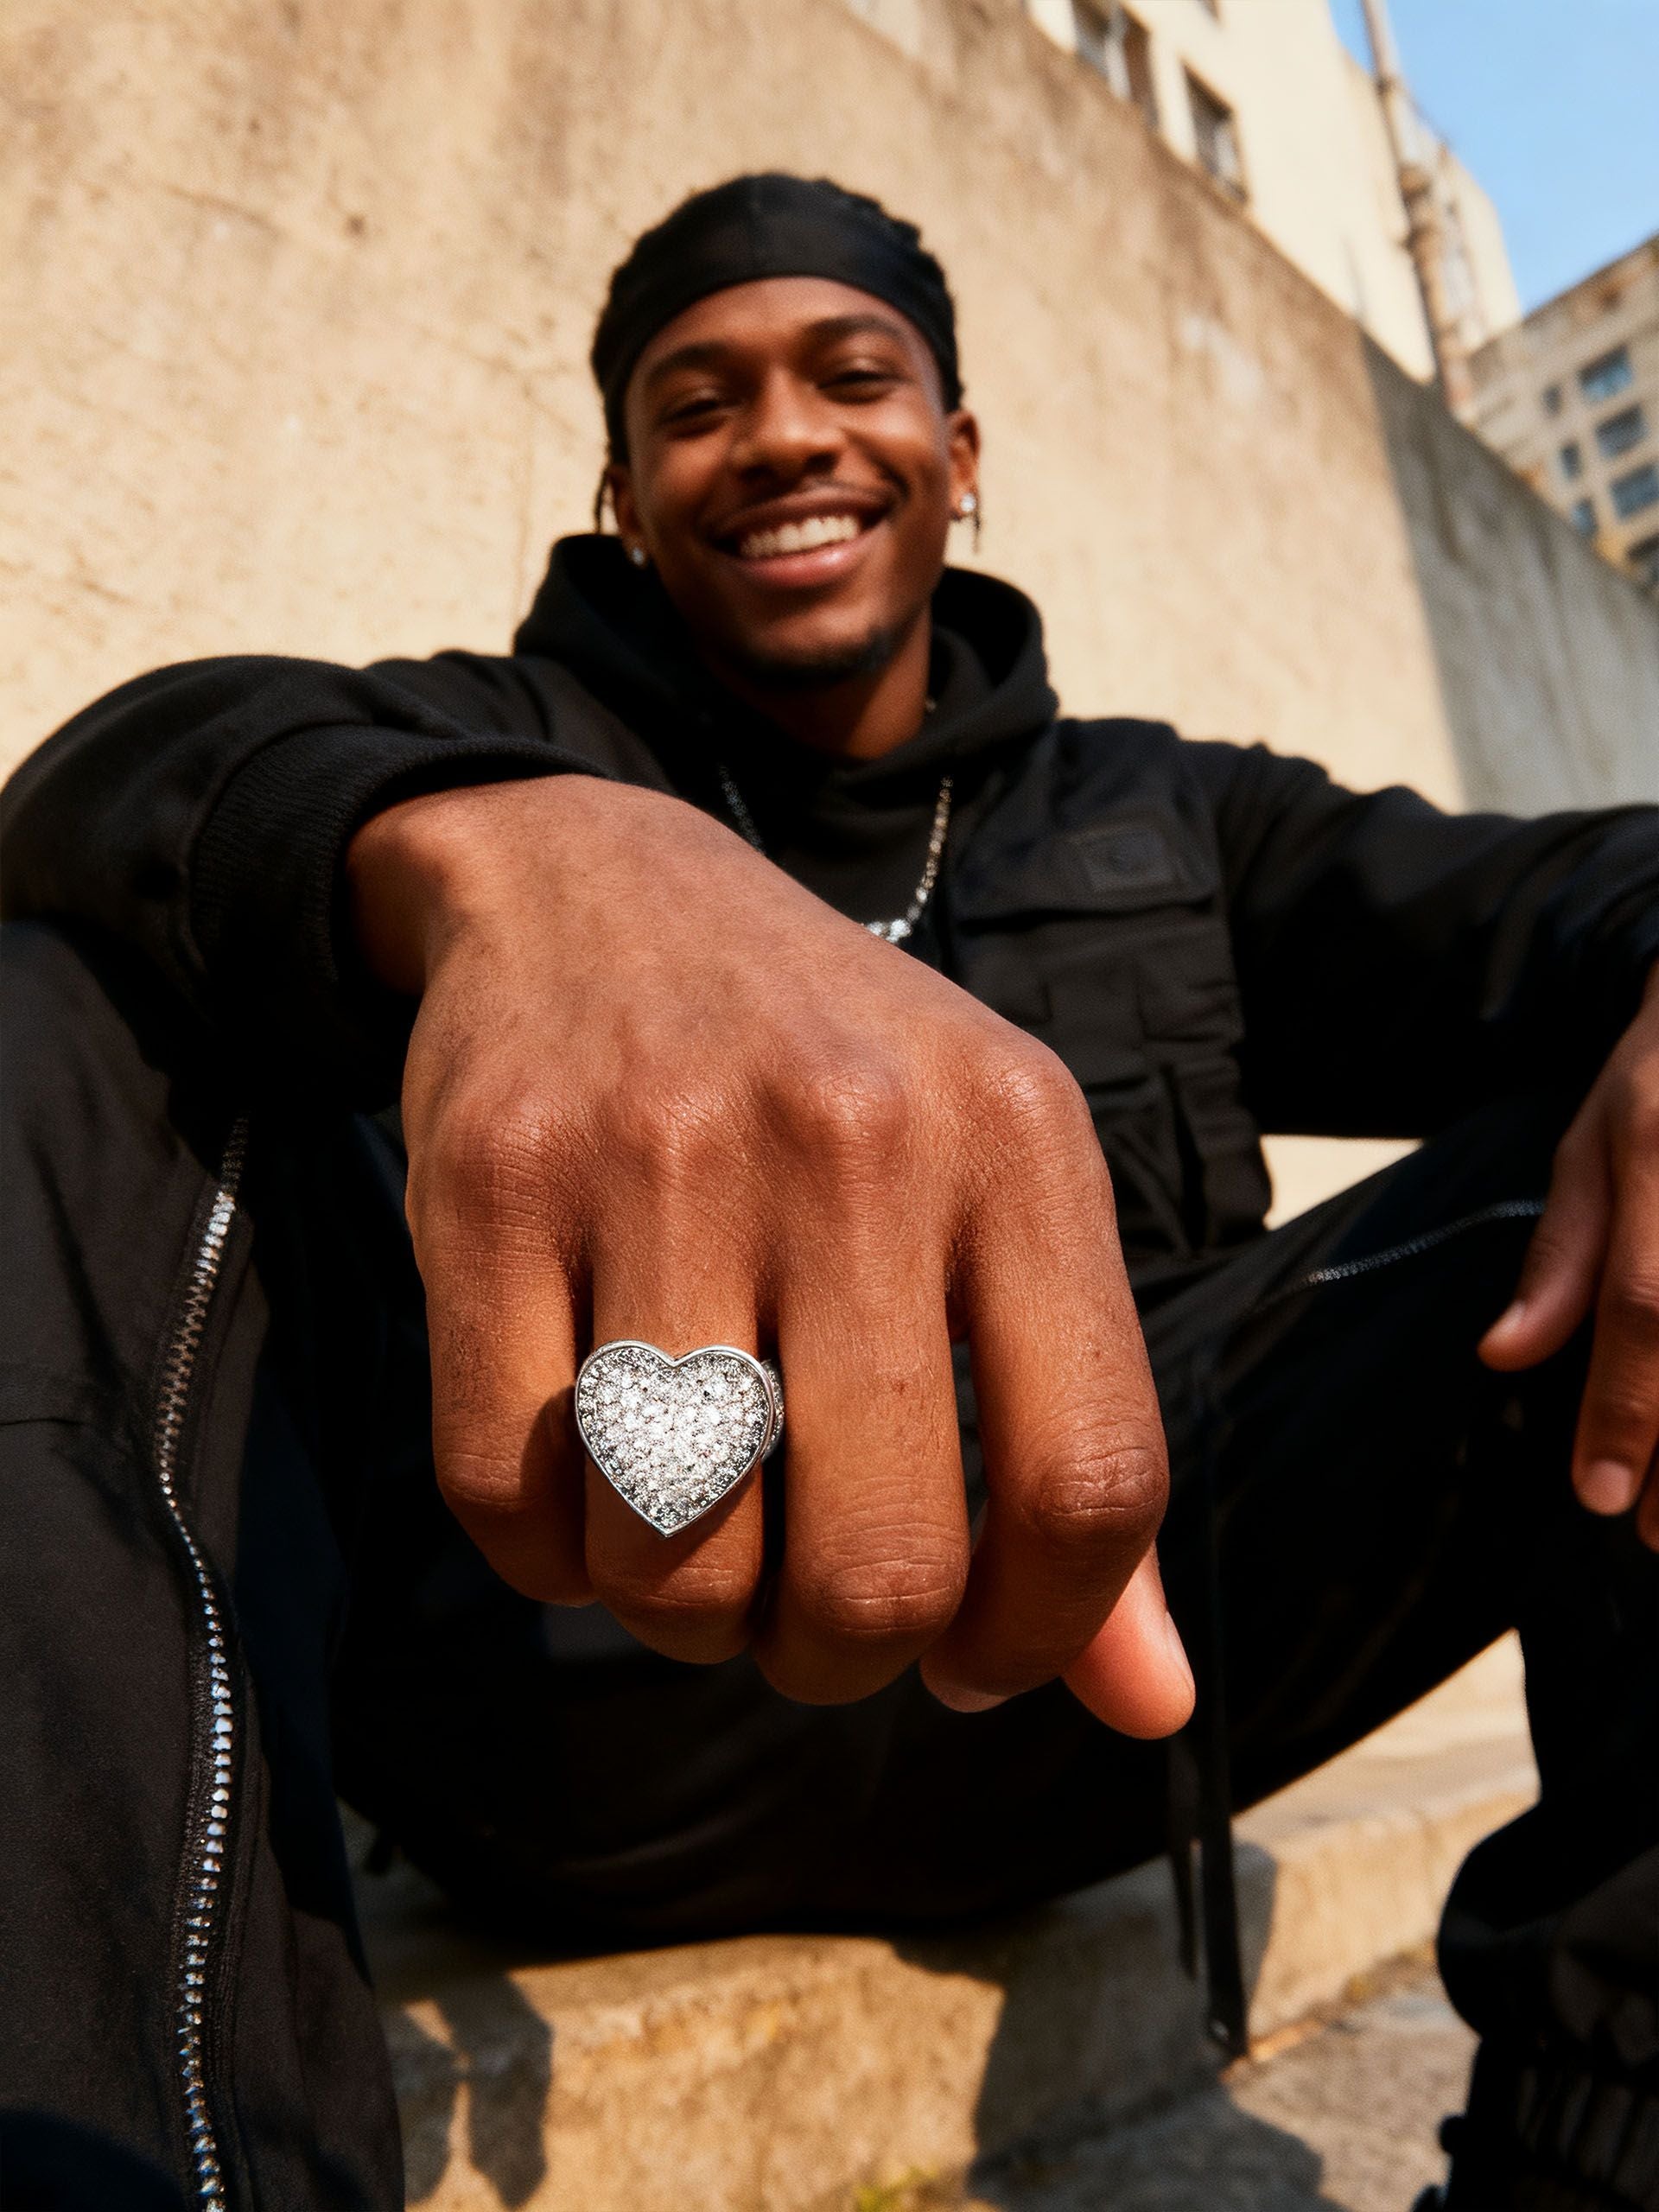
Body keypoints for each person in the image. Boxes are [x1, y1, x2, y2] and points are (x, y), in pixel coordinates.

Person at [2, 172, 1655, 2212]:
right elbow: (119, 779)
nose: (782, 432)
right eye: (698, 402)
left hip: (1089, 1672)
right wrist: (524, 855)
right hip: (570, 1711)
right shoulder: (506, 735)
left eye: (850, 373)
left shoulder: (1173, 815)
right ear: (622, 491)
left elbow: (1571, 893)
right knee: (84, 994)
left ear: (955, 456)